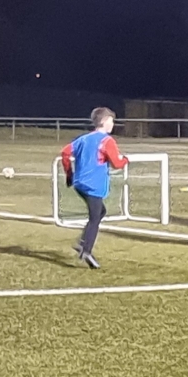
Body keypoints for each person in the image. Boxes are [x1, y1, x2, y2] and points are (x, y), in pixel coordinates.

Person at [58, 107, 128, 269]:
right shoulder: (107, 141)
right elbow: (117, 164)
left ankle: (83, 242)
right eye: (111, 121)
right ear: (104, 122)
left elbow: (65, 153)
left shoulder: (84, 139)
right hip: (93, 185)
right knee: (95, 217)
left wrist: (69, 174)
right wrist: (125, 160)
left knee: (100, 211)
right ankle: (86, 250)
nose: (113, 124)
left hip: (80, 184)